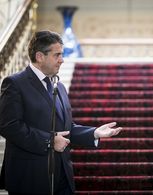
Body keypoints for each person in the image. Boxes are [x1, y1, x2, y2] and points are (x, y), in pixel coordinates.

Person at [0, 30, 122, 195]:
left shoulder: (60, 87)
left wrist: (94, 133)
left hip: (62, 175)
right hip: (29, 176)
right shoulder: (14, 83)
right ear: (40, 56)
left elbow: (66, 128)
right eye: (57, 55)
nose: (62, 60)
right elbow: (9, 126)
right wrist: (49, 141)